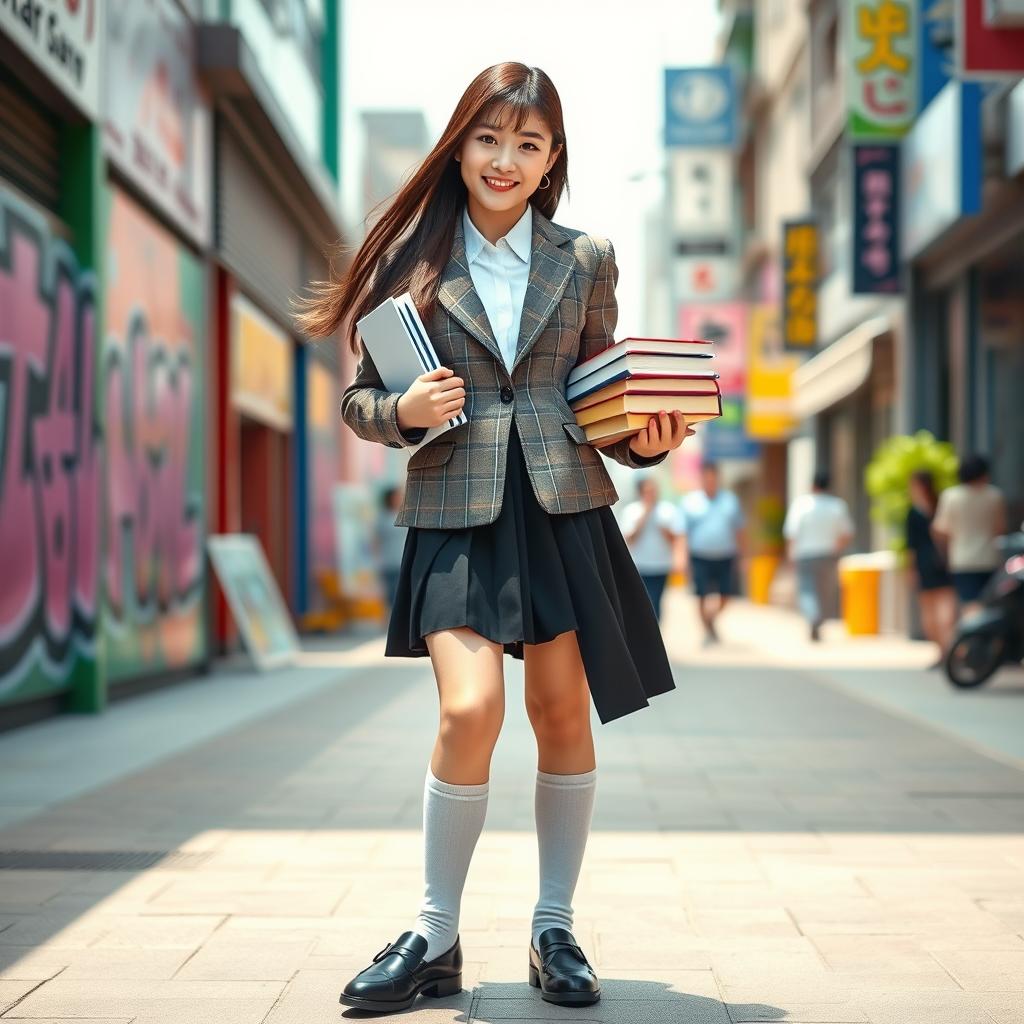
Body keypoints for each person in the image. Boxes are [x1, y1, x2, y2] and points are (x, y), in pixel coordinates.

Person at [294, 63, 695, 1015]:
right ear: (460, 143)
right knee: (469, 711)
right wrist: (401, 408)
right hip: (456, 507)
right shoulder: (412, 261)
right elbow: (358, 400)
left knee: (562, 715)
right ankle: (434, 932)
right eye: (489, 138)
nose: (505, 160)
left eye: (528, 143)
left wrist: (645, 439)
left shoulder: (586, 256)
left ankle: (553, 927)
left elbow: (601, 392)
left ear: (553, 157)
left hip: (562, 505)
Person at [676, 460, 744, 645]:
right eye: (707, 478)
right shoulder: (690, 502)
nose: (710, 481)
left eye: (713, 478)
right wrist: (682, 558)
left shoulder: (730, 500)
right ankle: (707, 630)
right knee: (701, 596)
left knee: (726, 595)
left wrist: (742, 556)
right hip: (700, 556)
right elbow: (683, 533)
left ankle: (711, 621)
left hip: (725, 555)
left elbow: (739, 530)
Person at [931, 453, 1008, 615]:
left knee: (969, 605)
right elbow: (1000, 529)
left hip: (962, 559)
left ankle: (971, 639)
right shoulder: (994, 495)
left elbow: (939, 529)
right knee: (988, 606)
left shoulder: (951, 496)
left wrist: (946, 551)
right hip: (990, 557)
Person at [783, 469, 854, 642]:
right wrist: (836, 548)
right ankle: (818, 620)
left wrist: (790, 555)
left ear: (812, 484)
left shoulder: (801, 504)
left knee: (807, 591)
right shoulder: (837, 506)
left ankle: (813, 617)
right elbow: (847, 533)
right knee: (825, 593)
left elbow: (791, 533)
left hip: (805, 554)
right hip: (828, 554)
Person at [905, 469, 956, 667]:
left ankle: (942, 651)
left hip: (924, 562)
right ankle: (948, 648)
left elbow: (911, 545)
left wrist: (911, 570)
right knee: (946, 606)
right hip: (943, 560)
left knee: (929, 610)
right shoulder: (940, 505)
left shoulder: (914, 511)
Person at [619, 476, 679, 622]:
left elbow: (676, 539)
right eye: (647, 491)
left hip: (661, 566)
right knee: (640, 603)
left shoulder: (667, 510)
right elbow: (629, 538)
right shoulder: (631, 511)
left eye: (653, 491)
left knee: (656, 601)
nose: (651, 494)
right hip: (639, 566)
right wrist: (644, 516)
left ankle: (656, 634)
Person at [376, 485, 407, 611]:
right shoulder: (382, 517)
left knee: (402, 592)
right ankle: (389, 618)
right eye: (396, 496)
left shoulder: (405, 514)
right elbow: (376, 540)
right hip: (388, 561)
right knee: (391, 593)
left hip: (403, 559)